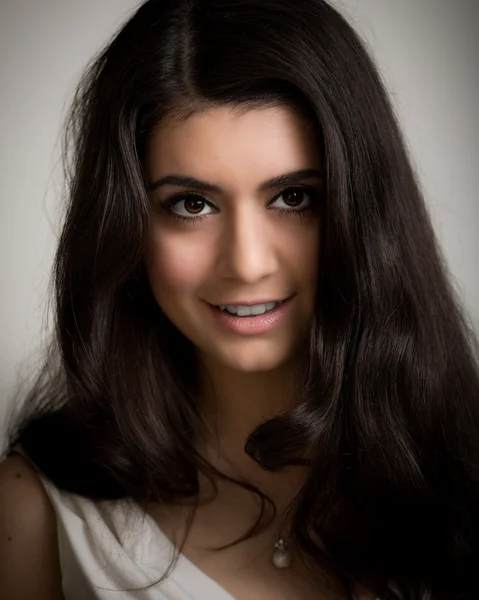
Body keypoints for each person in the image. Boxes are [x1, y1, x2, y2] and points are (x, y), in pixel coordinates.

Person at [1, 0, 478, 598]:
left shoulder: (463, 476)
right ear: (123, 227)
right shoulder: (37, 512)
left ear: (365, 211)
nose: (248, 263)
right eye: (192, 205)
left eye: (295, 198)